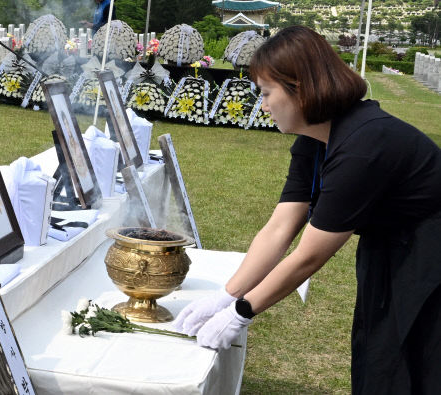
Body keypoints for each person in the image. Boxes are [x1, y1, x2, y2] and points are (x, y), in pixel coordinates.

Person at [173, 26, 441, 393]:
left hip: (430, 253)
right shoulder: (315, 139)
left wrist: (242, 313)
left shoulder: (363, 144)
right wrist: (228, 294)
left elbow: (309, 256)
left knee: (423, 361)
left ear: (300, 88)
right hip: (392, 248)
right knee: (381, 359)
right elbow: (280, 227)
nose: (263, 105)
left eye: (267, 93)